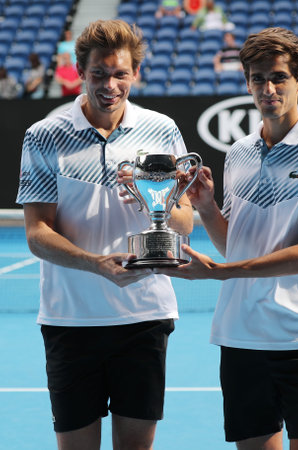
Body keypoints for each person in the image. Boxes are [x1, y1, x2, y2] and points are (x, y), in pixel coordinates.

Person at [155, 27, 298, 449]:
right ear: (247, 83)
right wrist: (208, 206)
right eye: (258, 78)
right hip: (242, 338)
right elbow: (236, 246)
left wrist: (220, 273)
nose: (269, 88)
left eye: (279, 77)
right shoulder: (239, 153)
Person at [16, 19, 193, 450]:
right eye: (99, 73)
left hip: (144, 317)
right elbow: (37, 233)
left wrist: (161, 207)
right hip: (70, 320)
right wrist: (95, 264)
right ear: (81, 70)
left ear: (135, 74)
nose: (110, 84)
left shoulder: (162, 129)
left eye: (120, 74)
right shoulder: (43, 136)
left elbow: (186, 219)